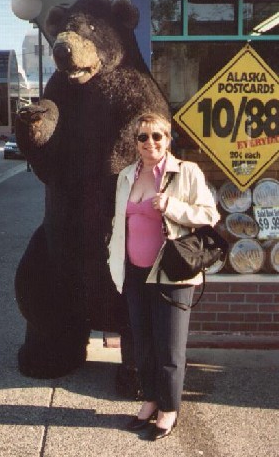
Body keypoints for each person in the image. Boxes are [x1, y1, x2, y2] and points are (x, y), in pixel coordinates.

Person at [108, 112, 220, 441]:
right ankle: (151, 399)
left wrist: (171, 206)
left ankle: (170, 409)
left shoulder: (186, 172)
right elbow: (120, 222)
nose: (150, 143)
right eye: (143, 137)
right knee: (143, 345)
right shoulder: (127, 176)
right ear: (135, 142)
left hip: (172, 275)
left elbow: (209, 216)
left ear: (168, 140)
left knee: (170, 349)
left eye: (158, 136)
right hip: (135, 273)